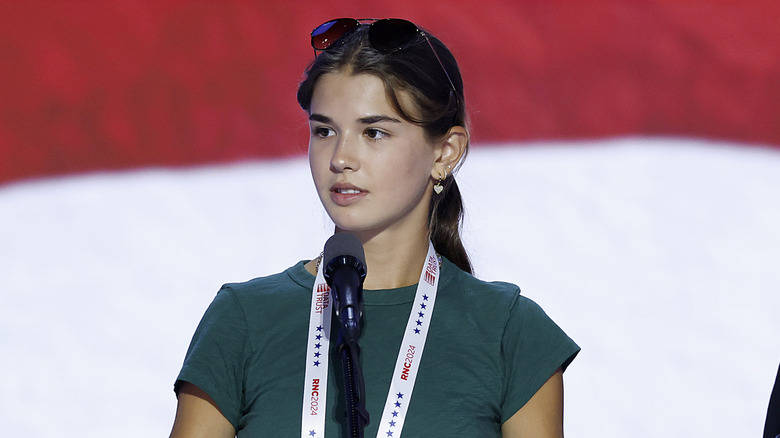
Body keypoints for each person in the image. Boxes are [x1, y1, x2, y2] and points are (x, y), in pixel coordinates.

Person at [169, 18, 579, 437]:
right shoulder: (243, 318)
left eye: (374, 132)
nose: (341, 158)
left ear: (446, 152)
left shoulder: (511, 333)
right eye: (324, 130)